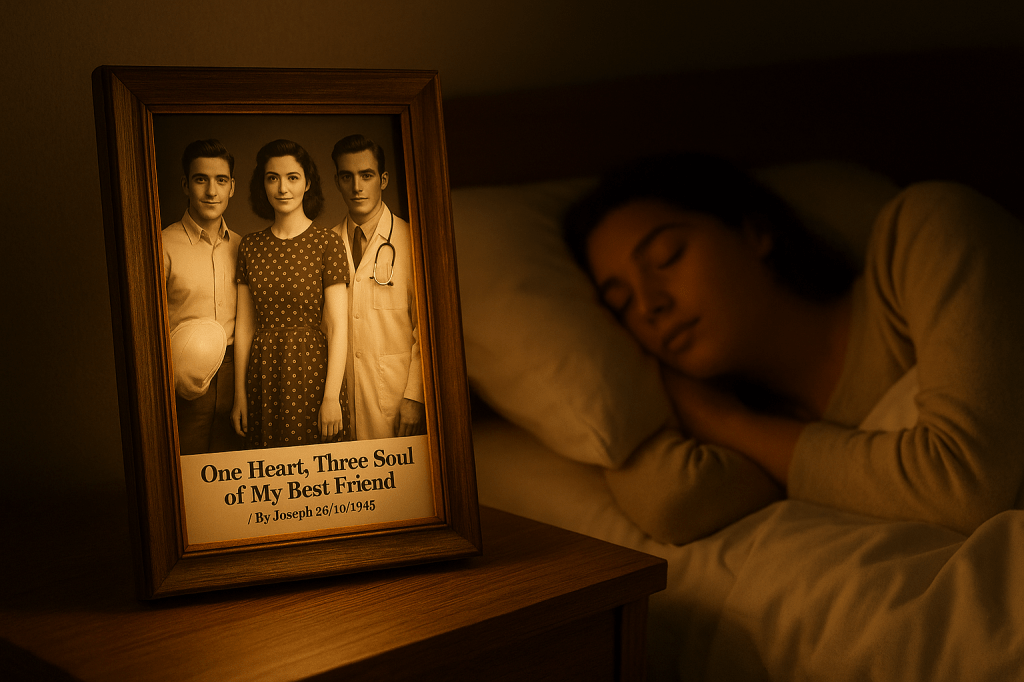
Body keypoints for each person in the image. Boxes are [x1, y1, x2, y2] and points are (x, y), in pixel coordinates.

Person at [563, 153, 1024, 543]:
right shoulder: (765, 434)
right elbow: (673, 505)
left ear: (754, 232)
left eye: (668, 256)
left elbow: (967, 485)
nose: (648, 304)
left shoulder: (922, 233)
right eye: (620, 303)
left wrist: (731, 423)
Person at [231, 139, 350, 447]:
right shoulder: (250, 246)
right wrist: (240, 395)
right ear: (263, 184)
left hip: (312, 373)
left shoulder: (327, 243)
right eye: (273, 178)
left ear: (307, 183)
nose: (282, 188)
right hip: (263, 374)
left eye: (292, 177)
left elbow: (338, 327)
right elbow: (244, 327)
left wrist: (331, 397)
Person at [330, 134, 425, 440]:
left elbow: (425, 330)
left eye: (366, 175)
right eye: (348, 176)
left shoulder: (412, 242)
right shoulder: (326, 244)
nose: (357, 187)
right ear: (337, 182)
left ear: (382, 180)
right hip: (340, 400)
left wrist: (414, 397)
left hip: (396, 399)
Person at [162, 139, 245, 455]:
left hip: (237, 377)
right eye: (201, 179)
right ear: (185, 184)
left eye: (220, 180)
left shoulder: (244, 248)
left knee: (232, 473)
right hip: (182, 381)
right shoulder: (162, 246)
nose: (212, 191)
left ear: (232, 187)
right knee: (187, 470)